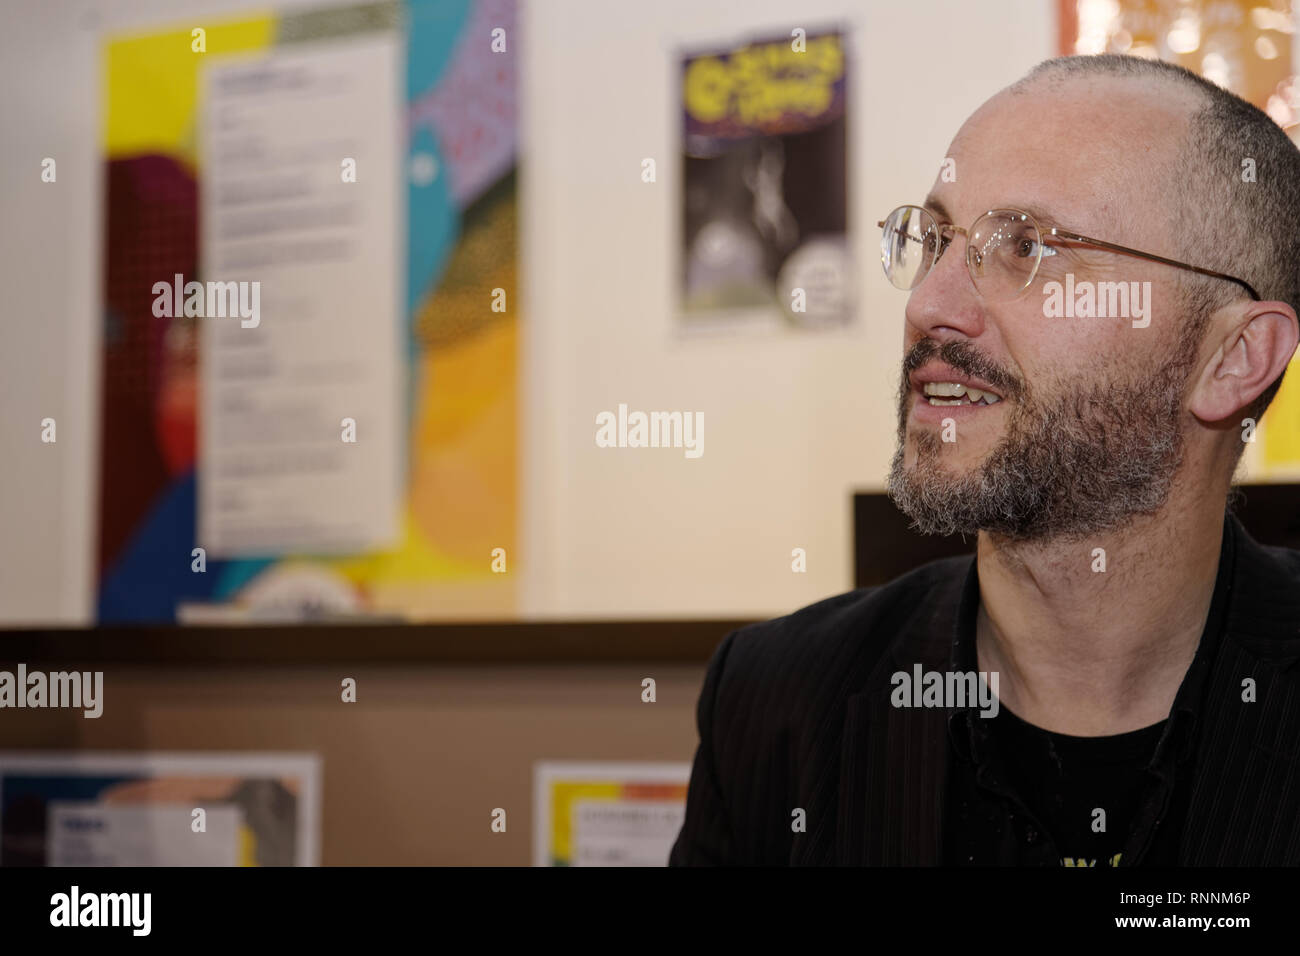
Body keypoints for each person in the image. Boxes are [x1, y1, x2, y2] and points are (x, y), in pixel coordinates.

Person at [669, 53, 1300, 866]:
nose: (930, 305)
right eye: (934, 239)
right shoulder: (779, 706)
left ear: (1236, 358)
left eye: (1029, 248)